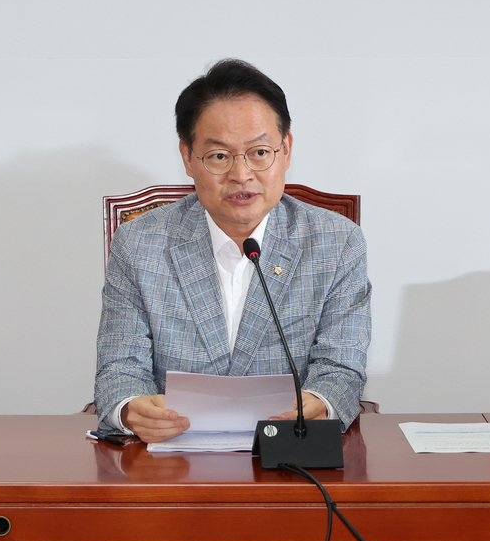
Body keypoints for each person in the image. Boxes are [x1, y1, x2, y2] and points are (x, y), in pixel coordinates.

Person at [94, 59, 371, 443]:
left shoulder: (337, 243)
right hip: (170, 466)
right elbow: (119, 369)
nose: (242, 175)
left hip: (291, 460)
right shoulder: (140, 244)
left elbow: (342, 368)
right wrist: (129, 409)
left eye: (259, 152)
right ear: (188, 158)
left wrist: (321, 401)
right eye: (219, 156)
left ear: (286, 150)